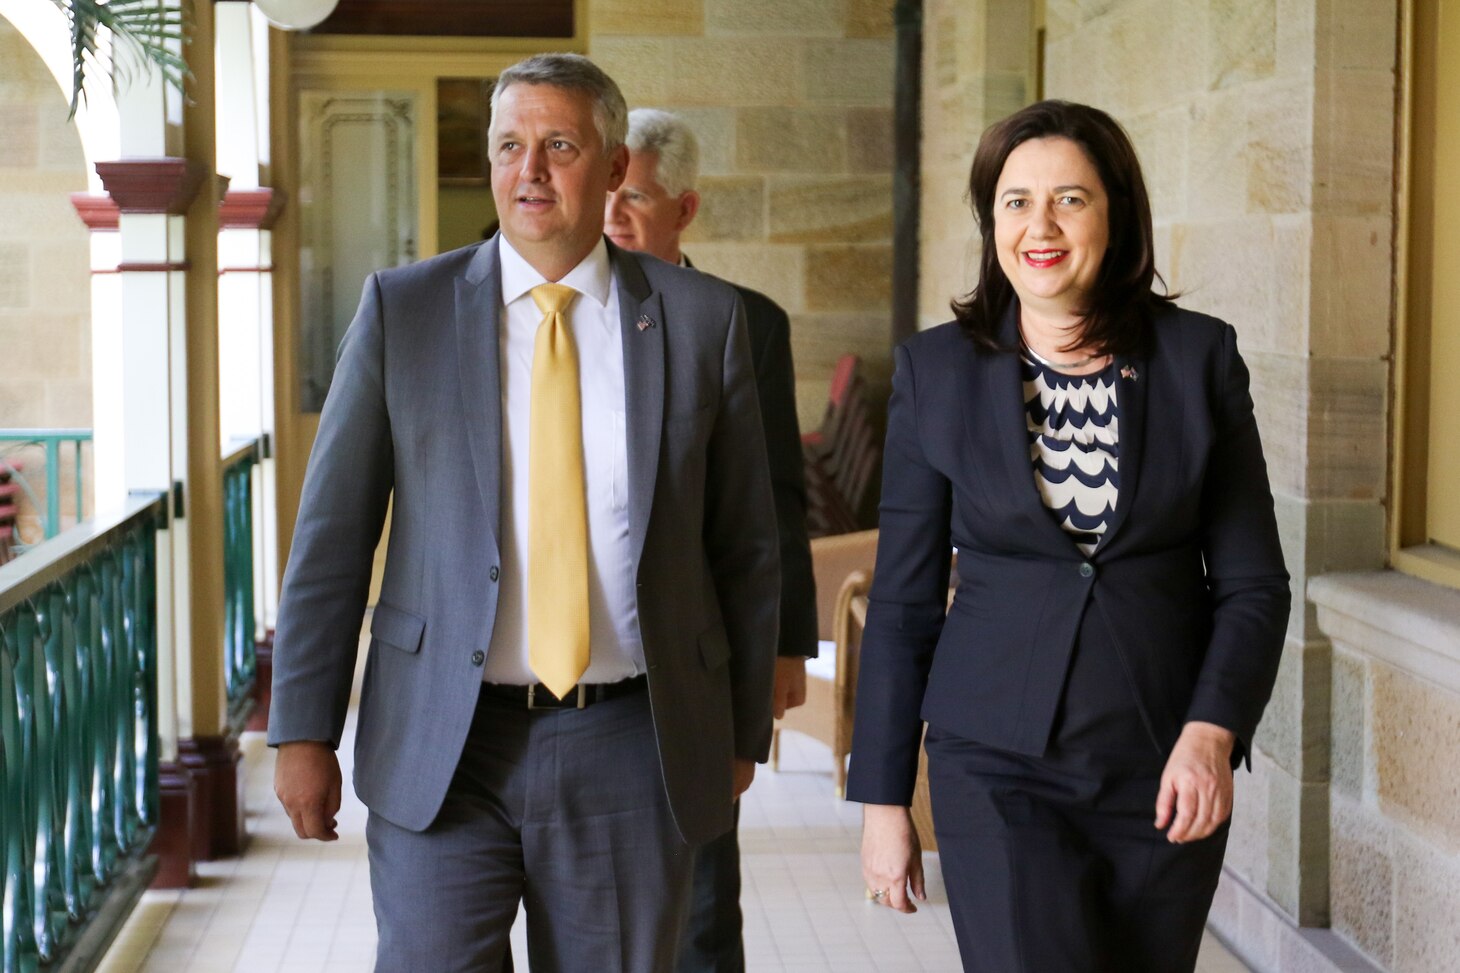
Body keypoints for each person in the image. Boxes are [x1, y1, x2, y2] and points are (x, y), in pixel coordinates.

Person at [268, 53, 781, 973]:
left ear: (616, 166)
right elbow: (331, 539)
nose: (529, 170)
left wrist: (741, 731)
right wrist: (303, 729)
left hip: (631, 738)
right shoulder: (405, 311)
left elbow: (744, 544)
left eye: (559, 145)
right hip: (443, 739)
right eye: (509, 145)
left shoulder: (705, 321)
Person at [847, 100, 1291, 972]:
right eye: (1015, 201)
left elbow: (1253, 583)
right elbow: (902, 603)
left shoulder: (1199, 360)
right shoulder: (934, 373)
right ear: (992, 221)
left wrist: (1212, 731)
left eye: (1070, 200)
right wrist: (882, 800)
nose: (1039, 226)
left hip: (1165, 760)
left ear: (1116, 215)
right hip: (995, 763)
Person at [604, 108, 820, 973]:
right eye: (607, 191)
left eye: (636, 198)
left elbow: (774, 498)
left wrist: (786, 645)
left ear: (684, 209)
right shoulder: (556, 313)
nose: (613, 214)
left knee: (699, 896)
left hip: (696, 649)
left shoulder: (748, 322)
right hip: (587, 649)